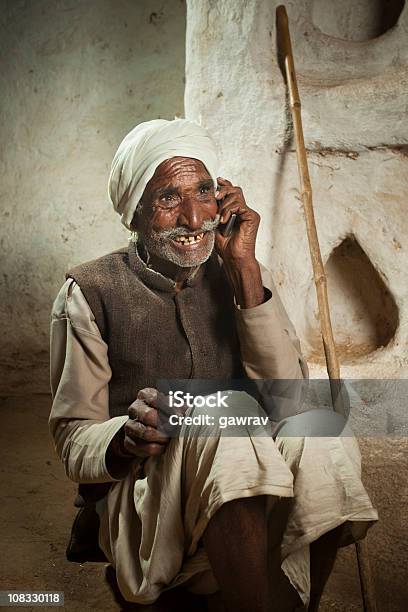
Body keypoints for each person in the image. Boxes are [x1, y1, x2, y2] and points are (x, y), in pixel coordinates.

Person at [49, 118, 377, 612]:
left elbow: (288, 399)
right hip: (149, 498)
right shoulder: (90, 292)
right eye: (166, 199)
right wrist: (125, 437)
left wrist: (245, 270)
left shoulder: (237, 270)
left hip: (248, 487)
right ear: (134, 212)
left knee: (321, 428)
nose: (192, 216)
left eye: (204, 192)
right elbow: (75, 437)